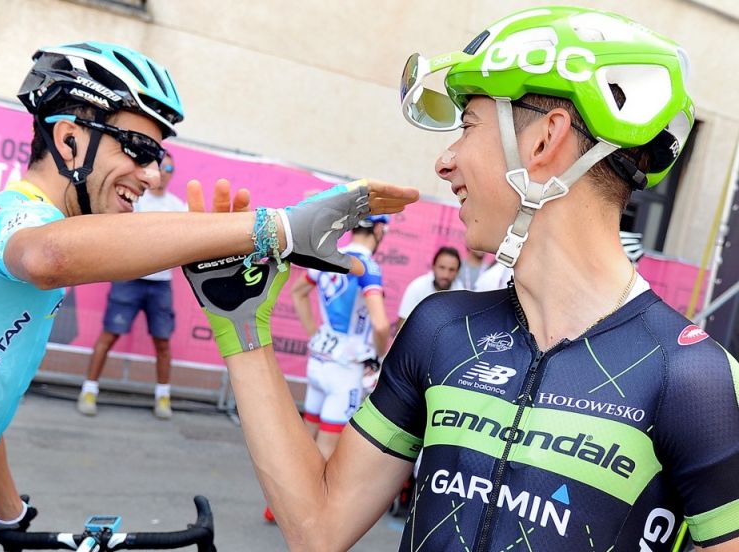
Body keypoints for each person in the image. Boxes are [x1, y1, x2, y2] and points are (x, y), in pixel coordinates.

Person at [185, 6, 739, 551]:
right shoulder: (442, 329)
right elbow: (318, 529)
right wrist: (241, 323)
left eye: (467, 127)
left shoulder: (697, 379)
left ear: (544, 141)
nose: (445, 162)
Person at [0, 40, 417, 550]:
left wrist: (11, 514)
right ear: (69, 139)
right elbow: (47, 256)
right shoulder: (16, 219)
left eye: (159, 157)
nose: (151, 175)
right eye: (138, 149)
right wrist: (275, 228)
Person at [77, 152, 186, 419]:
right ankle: (89, 390)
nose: (164, 174)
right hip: (128, 279)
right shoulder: (136, 200)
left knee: (163, 342)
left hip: (160, 285)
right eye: (160, 168)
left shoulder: (178, 207)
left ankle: (163, 397)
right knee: (109, 334)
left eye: (169, 169)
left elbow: (183, 247)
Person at [290, 214, 391, 458]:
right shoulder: (367, 266)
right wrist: (379, 358)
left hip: (320, 358)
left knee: (306, 438)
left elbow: (297, 292)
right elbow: (380, 325)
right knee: (327, 449)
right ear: (378, 230)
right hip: (346, 367)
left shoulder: (329, 255)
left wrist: (315, 333)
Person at [396, 245, 462, 330]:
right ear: (433, 267)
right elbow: (402, 326)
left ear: (457, 272)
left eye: (451, 270)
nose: (446, 275)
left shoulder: (462, 294)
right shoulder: (417, 287)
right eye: (442, 268)